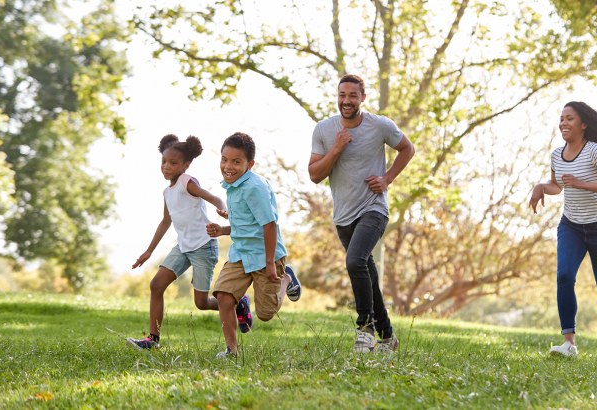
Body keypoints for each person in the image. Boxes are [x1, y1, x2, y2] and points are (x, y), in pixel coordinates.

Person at [308, 74, 415, 353]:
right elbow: (314, 175)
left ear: (362, 98)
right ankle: (388, 337)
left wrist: (387, 178)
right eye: (342, 94)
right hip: (343, 215)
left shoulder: (379, 125)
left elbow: (407, 148)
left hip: (374, 208)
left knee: (355, 261)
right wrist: (337, 148)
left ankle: (364, 327)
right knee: (367, 272)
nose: (346, 100)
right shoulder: (324, 130)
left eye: (353, 95)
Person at [529, 101, 597, 361]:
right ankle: (569, 344)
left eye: (569, 118)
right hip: (571, 226)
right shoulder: (556, 155)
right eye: (561, 118)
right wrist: (541, 187)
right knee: (564, 277)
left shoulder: (594, 151)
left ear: (583, 124)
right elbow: (557, 186)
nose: (563, 123)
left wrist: (583, 184)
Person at [126, 134, 228, 350]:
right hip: (183, 247)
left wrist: (223, 209)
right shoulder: (167, 192)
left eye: (173, 163)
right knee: (156, 285)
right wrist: (148, 252)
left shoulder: (186, 182)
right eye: (163, 162)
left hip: (203, 246)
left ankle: (236, 304)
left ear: (186, 165)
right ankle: (152, 340)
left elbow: (215, 198)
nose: (166, 167)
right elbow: (166, 221)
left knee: (201, 303)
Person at [207, 132, 302, 359]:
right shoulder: (233, 186)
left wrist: (270, 263)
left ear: (250, 164)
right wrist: (223, 230)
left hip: (265, 255)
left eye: (236, 161)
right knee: (224, 296)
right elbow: (246, 225)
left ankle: (286, 277)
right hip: (241, 254)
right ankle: (232, 350)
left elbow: (269, 226)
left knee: (266, 313)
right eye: (224, 159)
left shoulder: (254, 187)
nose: (228, 166)